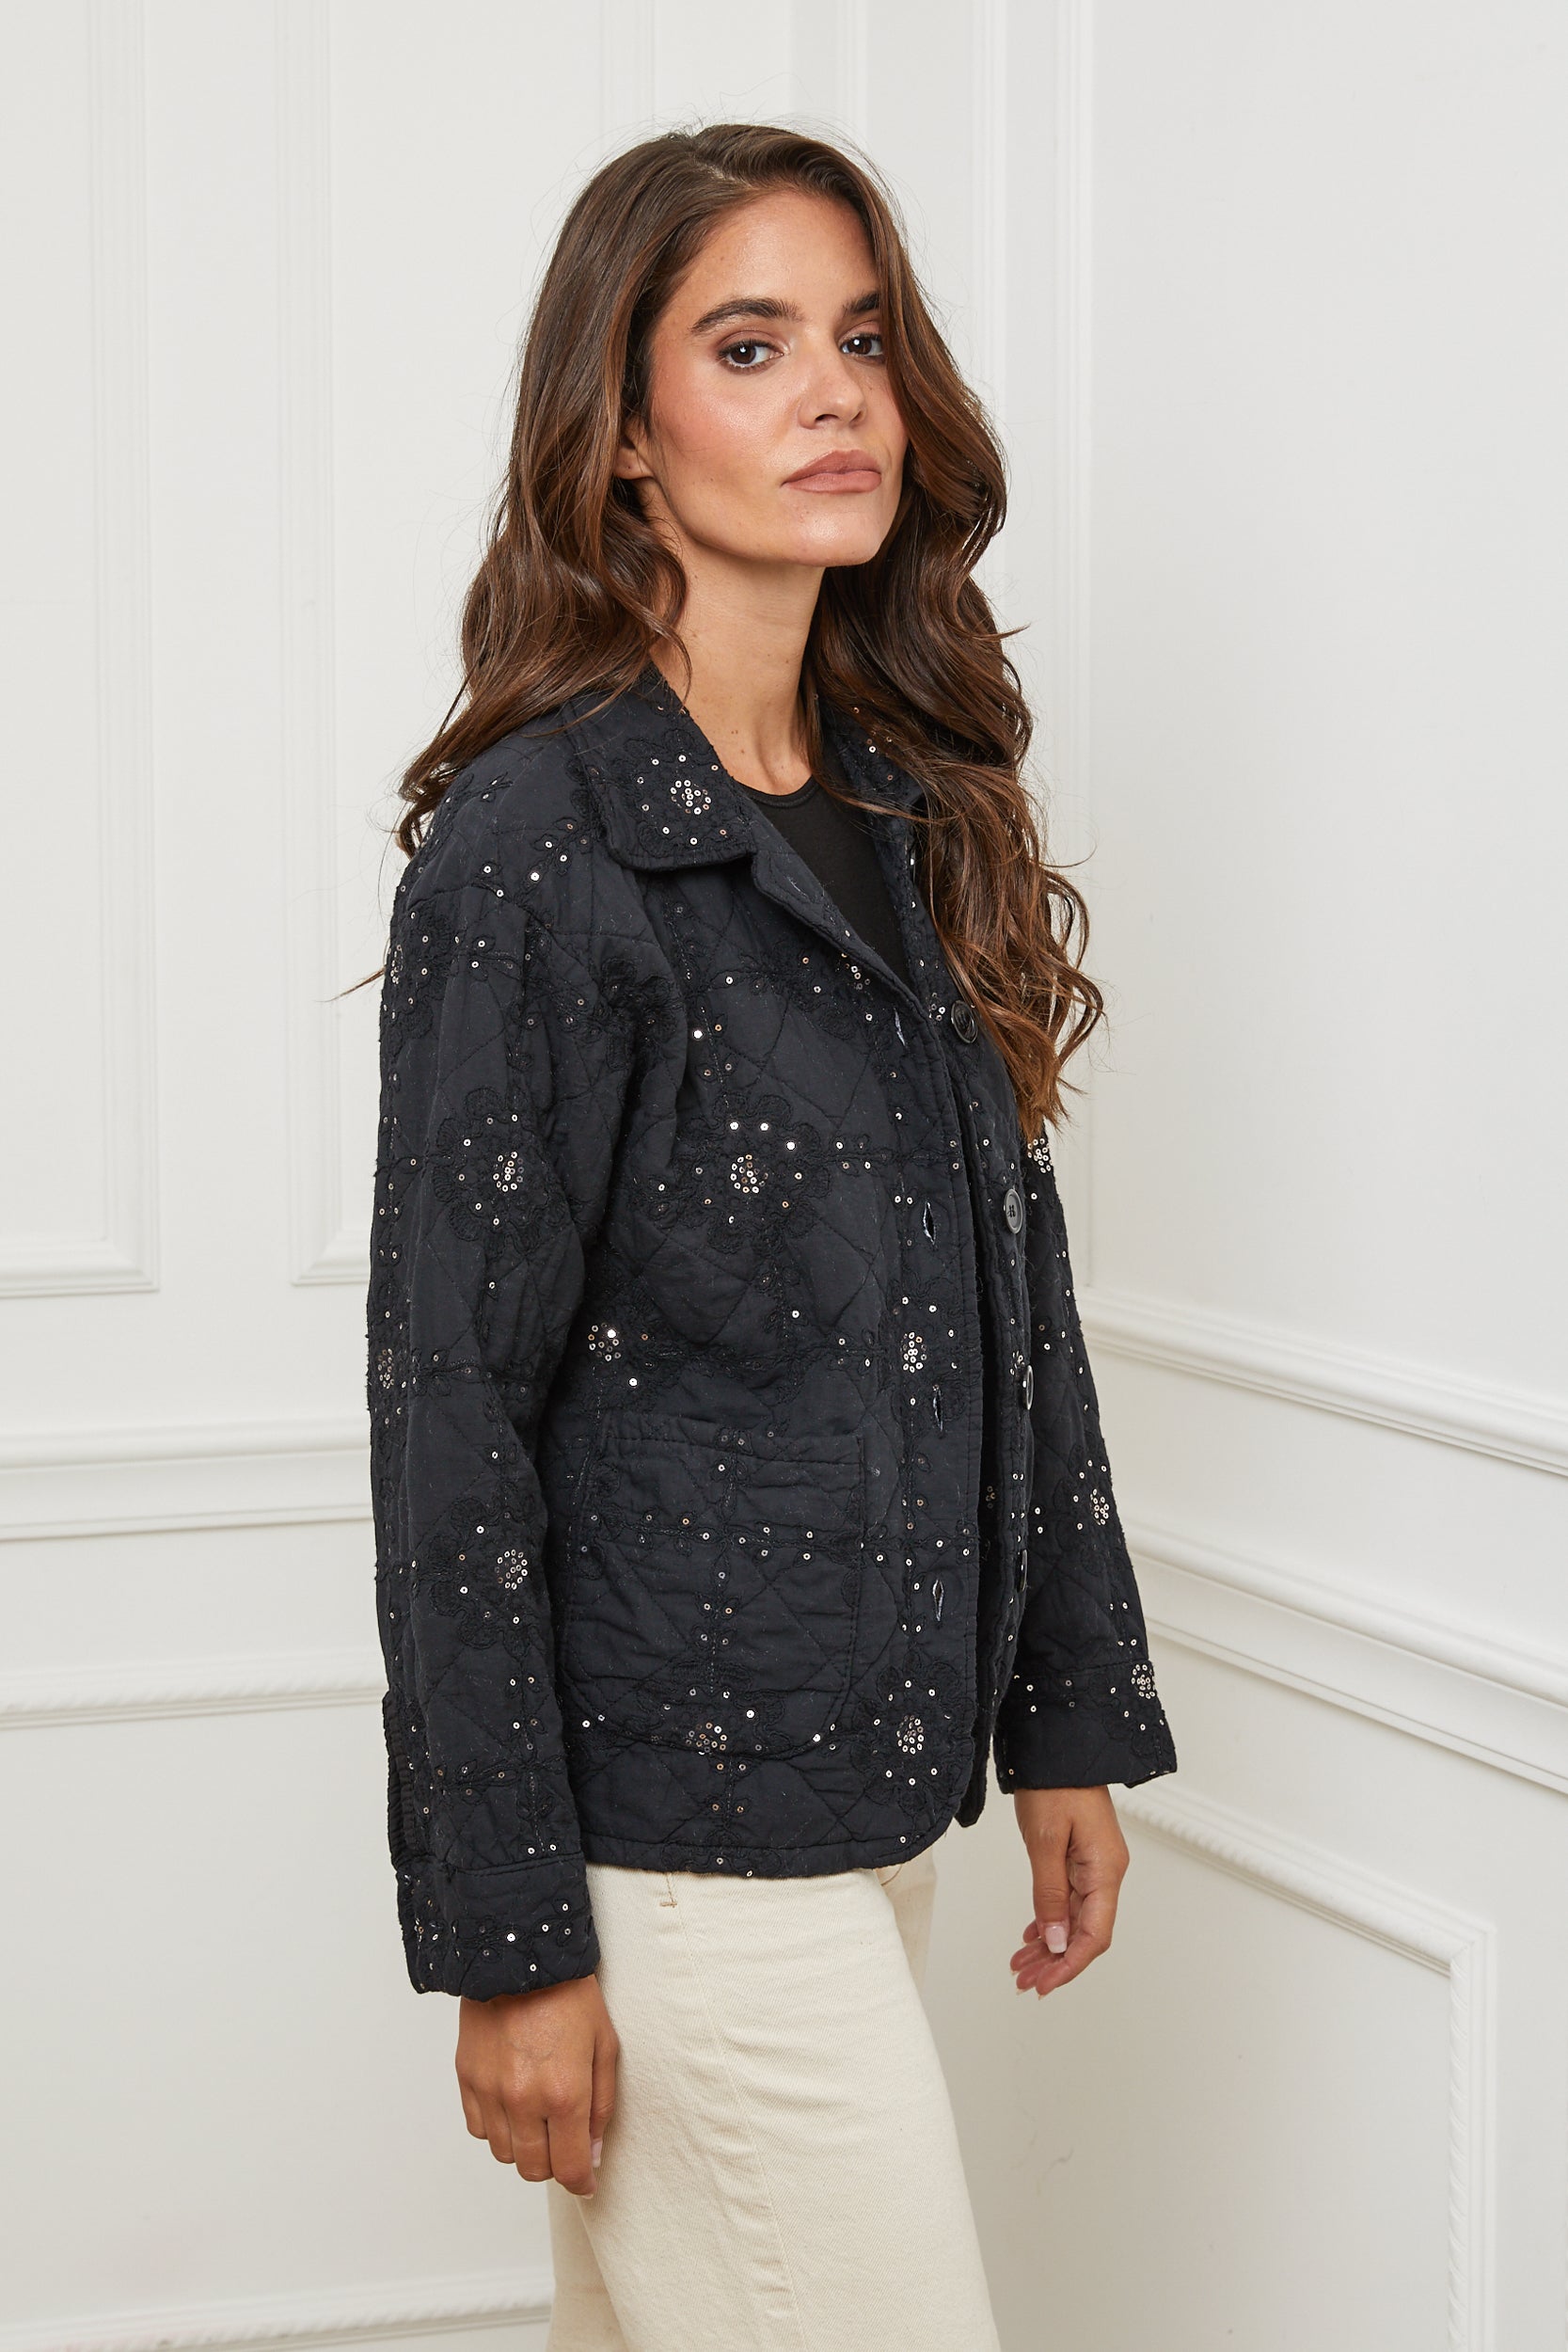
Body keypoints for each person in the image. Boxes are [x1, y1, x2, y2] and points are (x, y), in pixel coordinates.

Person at [366, 119, 1178, 2352]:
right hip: (677, 1853)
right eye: (750, 346)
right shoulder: (542, 845)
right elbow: (451, 1411)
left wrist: (1063, 1709)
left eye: (864, 339)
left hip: (861, 1796)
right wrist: (513, 1936)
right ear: (624, 432)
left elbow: (1011, 1304)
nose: (834, 394)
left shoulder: (905, 804)